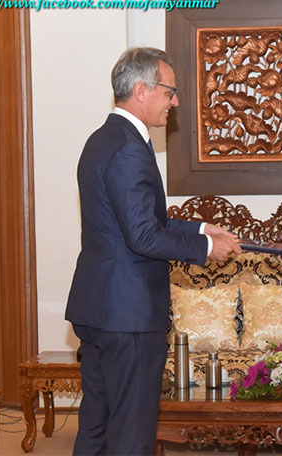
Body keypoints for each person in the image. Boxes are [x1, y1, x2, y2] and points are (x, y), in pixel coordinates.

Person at [65, 47, 241, 456]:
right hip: (127, 315)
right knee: (131, 430)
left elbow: (135, 221)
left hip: (99, 308)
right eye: (170, 92)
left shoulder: (102, 139)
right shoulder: (129, 147)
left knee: (97, 424)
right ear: (142, 90)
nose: (175, 102)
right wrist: (206, 246)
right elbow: (143, 237)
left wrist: (199, 226)